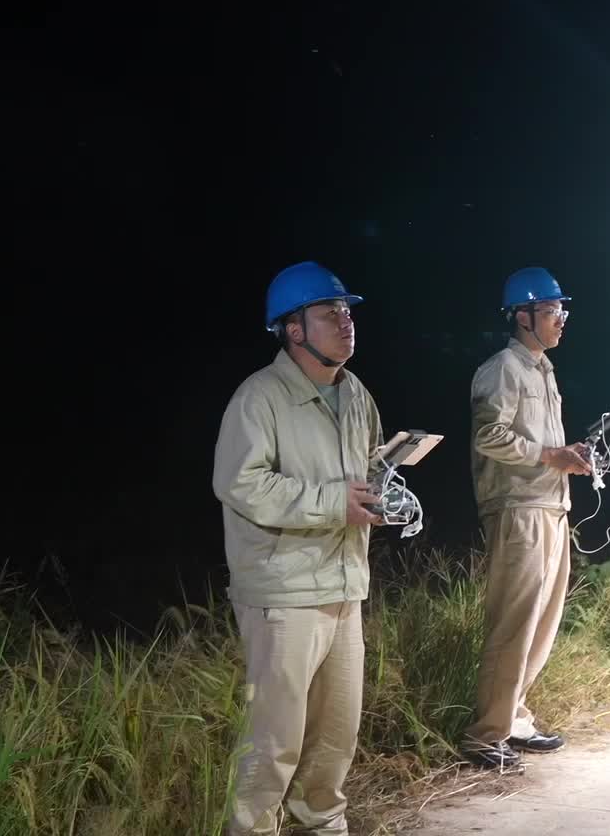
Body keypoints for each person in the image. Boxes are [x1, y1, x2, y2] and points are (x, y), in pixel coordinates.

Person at [213, 261, 388, 834]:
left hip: (343, 584)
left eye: (347, 311)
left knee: (335, 738)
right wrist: (333, 502)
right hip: (283, 590)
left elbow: (365, 470)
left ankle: (323, 825)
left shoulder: (355, 392)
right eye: (329, 312)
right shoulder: (259, 397)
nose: (346, 321)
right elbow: (240, 483)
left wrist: (381, 492)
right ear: (293, 329)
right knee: (273, 741)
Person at [460, 266, 594, 770]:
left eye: (563, 310)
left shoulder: (543, 368)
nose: (562, 319)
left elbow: (543, 445)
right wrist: (549, 456)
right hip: (517, 509)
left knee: (541, 623)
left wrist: (569, 456)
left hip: (551, 506)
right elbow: (489, 436)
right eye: (552, 310)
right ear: (522, 316)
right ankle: (484, 735)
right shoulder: (502, 369)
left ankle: (513, 719)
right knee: (513, 622)